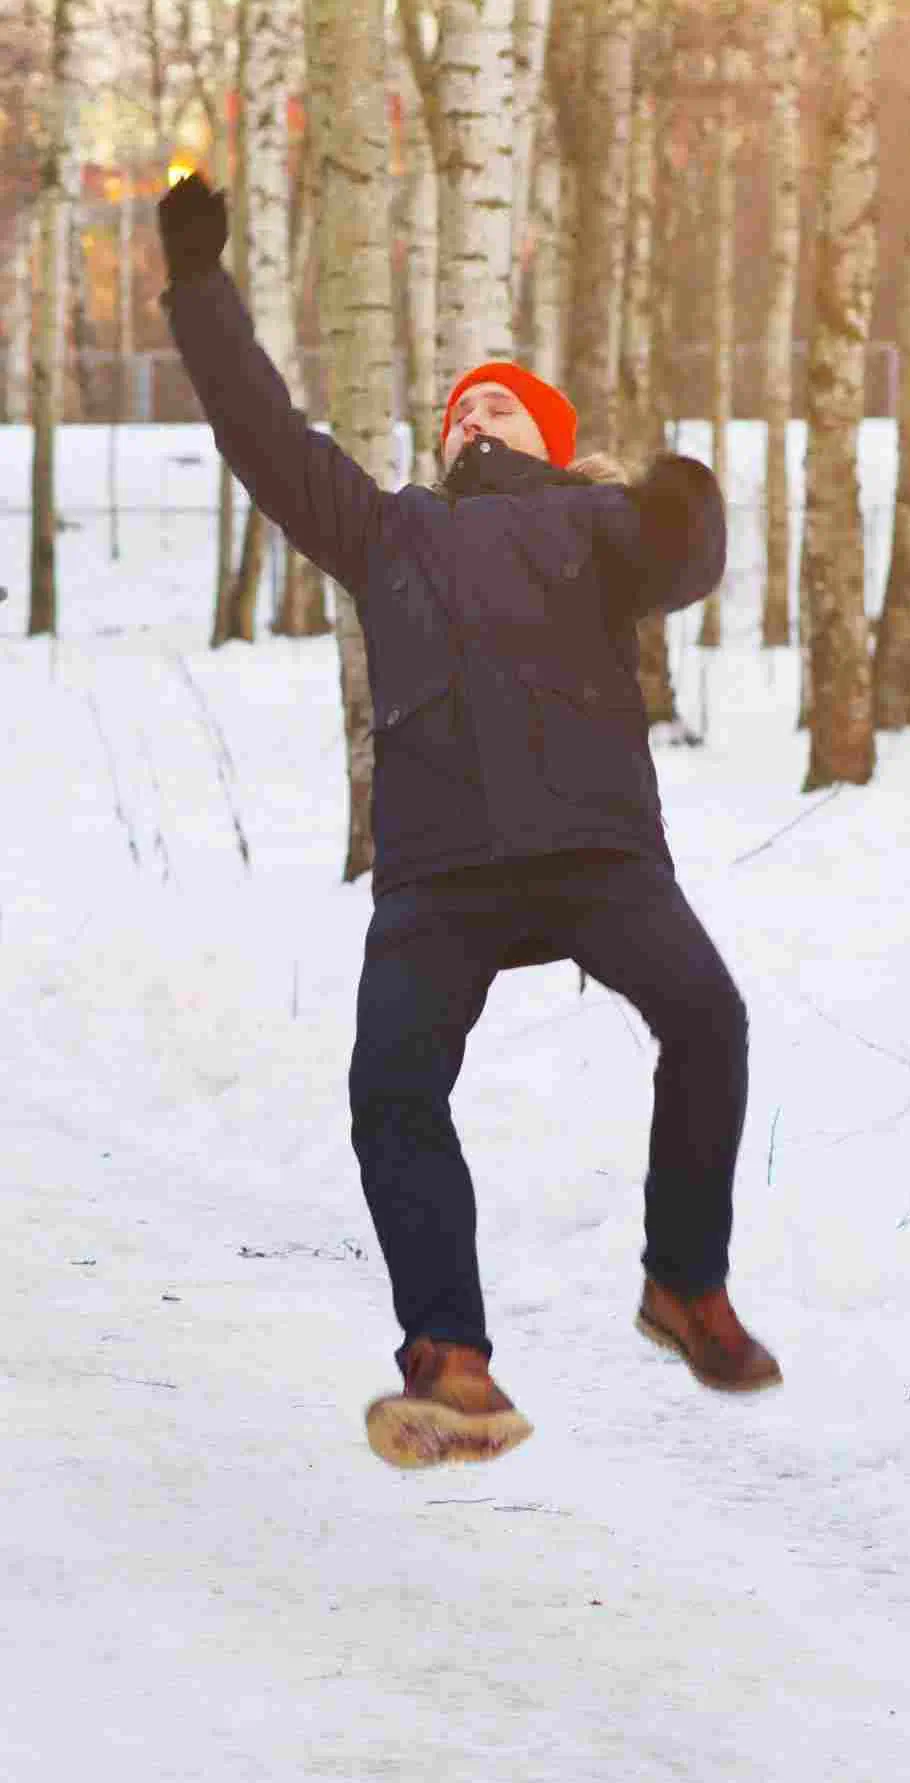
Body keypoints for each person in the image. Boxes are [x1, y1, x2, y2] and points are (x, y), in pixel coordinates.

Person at [157, 172, 782, 1473]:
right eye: (460, 405)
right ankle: (451, 1360)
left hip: (597, 850)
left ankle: (685, 1283)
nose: (474, 412)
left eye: (500, 400)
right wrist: (200, 284)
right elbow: (262, 434)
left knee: (708, 1019)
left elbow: (687, 560)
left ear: (548, 437)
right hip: (440, 873)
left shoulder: (592, 522)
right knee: (391, 1084)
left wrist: (686, 494)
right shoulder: (394, 534)